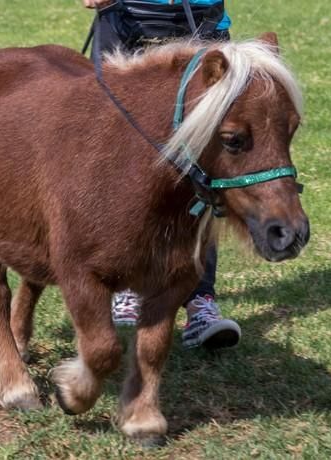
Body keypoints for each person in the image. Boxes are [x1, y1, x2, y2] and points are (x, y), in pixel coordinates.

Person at [83, 0, 241, 350]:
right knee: (117, 154)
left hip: (200, 16)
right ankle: (125, 288)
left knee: (205, 161)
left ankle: (200, 300)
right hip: (125, 15)